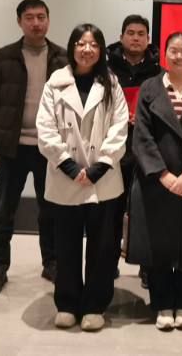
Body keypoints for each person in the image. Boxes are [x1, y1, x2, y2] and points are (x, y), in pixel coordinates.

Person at [36, 23, 128, 331]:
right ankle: (67, 303)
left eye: (93, 44)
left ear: (101, 49)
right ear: (72, 47)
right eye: (80, 43)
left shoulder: (111, 84)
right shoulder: (55, 84)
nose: (86, 49)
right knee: (66, 245)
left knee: (102, 246)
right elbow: (45, 128)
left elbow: (119, 127)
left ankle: (94, 305)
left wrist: (101, 165)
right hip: (66, 177)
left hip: (103, 179)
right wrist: (68, 166)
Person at [126, 32, 182, 331]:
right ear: (164, 54)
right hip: (157, 181)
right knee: (158, 245)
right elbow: (141, 137)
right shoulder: (150, 88)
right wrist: (163, 175)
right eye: (173, 51)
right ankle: (163, 303)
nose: (179, 56)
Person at [0, 0, 67, 297]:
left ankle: (51, 263)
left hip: (49, 149)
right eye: (29, 17)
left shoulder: (63, 59)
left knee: (50, 210)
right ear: (19, 21)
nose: (36, 23)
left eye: (41, 17)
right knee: (4, 211)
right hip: (10, 148)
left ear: (48, 20)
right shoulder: (1, 58)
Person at [107, 14, 164, 286]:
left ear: (148, 39)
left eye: (141, 34)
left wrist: (144, 118)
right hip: (112, 153)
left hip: (146, 153)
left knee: (146, 212)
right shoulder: (105, 69)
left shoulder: (159, 73)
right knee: (111, 213)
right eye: (130, 33)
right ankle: (108, 265)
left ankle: (146, 268)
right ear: (121, 37)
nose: (136, 38)